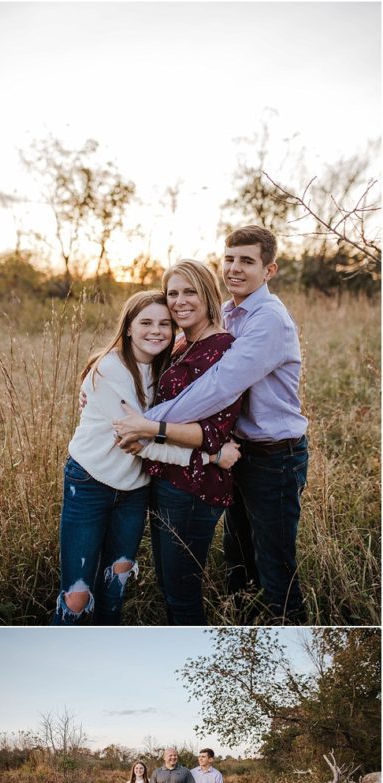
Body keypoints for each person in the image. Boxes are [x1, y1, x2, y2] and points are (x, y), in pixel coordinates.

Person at [124, 226, 308, 622]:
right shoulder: (227, 312)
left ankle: (287, 628)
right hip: (235, 453)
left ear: (269, 270)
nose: (235, 268)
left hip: (276, 456)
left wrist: (147, 422)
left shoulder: (269, 319)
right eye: (229, 258)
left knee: (274, 563)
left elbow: (220, 387)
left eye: (247, 261)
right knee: (238, 558)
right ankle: (246, 633)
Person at [54, 290, 238, 624]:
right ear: (127, 327)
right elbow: (139, 443)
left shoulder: (167, 367)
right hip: (89, 483)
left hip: (135, 490)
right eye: (146, 323)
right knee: (78, 596)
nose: (156, 331)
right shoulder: (110, 370)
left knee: (116, 584)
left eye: (165, 324)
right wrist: (210, 458)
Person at [111, 261, 242, 624]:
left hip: (194, 489)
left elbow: (215, 432)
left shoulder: (223, 349)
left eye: (189, 292)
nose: (180, 301)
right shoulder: (182, 342)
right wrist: (94, 387)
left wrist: (149, 430)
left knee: (181, 593)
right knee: (169, 586)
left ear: (208, 295)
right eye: (173, 293)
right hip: (169, 478)